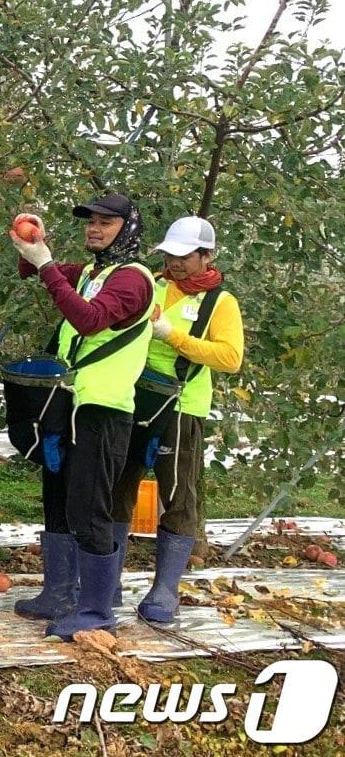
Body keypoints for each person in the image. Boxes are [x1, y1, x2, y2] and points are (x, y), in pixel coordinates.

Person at [8, 193, 153, 639]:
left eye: (106, 222)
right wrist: (34, 245)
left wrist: (48, 264)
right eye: (91, 220)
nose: (94, 228)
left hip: (104, 409)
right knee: (62, 498)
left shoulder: (132, 280)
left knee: (90, 507)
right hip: (72, 404)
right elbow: (33, 271)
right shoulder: (95, 273)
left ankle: (96, 611)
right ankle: (59, 593)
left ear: (126, 228)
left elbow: (89, 320)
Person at [110, 217, 243, 623]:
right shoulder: (152, 282)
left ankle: (165, 588)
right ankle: (106, 581)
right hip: (133, 396)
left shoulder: (220, 302)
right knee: (118, 483)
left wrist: (172, 335)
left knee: (177, 493)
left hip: (183, 406)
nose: (176, 263)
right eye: (170, 254)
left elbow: (230, 358)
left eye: (185, 256)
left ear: (207, 256)